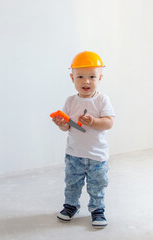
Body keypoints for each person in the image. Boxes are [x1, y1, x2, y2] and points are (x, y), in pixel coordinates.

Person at [52, 51, 115, 228]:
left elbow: (109, 123)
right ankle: (70, 206)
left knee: (97, 185)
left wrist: (94, 121)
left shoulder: (102, 100)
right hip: (74, 155)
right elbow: (67, 127)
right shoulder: (70, 101)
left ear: (100, 78)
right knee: (72, 184)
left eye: (91, 77)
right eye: (80, 76)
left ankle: (97, 209)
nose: (86, 81)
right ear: (72, 78)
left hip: (97, 156)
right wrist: (61, 123)